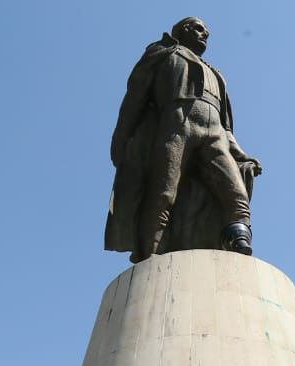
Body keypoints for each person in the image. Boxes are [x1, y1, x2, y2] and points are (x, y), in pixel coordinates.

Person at [106, 16, 262, 262]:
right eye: (199, 29)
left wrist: (241, 154)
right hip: (177, 127)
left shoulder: (216, 74)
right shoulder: (163, 54)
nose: (205, 35)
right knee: (164, 193)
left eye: (207, 32)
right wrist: (122, 139)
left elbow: (227, 126)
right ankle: (150, 254)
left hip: (215, 136)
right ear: (184, 30)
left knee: (235, 193)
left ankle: (237, 242)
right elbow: (134, 99)